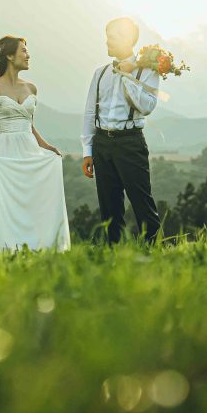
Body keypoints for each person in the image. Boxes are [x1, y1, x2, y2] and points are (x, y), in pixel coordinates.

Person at [0, 35, 71, 252]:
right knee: (9, 203)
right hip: (6, 150)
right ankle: (8, 248)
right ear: (10, 56)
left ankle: (41, 245)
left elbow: (30, 124)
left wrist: (45, 146)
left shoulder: (32, 88)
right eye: (24, 51)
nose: (28, 55)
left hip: (29, 147)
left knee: (34, 199)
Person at [81, 17, 161, 244]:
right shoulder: (100, 73)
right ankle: (112, 252)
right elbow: (89, 113)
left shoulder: (147, 71)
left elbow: (147, 106)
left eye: (112, 37)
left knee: (141, 202)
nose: (107, 42)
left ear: (127, 39)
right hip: (102, 142)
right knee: (109, 206)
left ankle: (153, 250)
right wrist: (88, 150)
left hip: (130, 142)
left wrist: (128, 74)